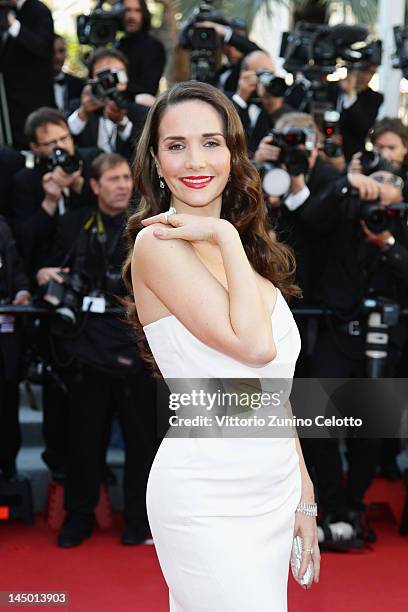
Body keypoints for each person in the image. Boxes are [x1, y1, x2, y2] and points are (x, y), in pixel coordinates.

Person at [124, 81, 320, 611]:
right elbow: (253, 348)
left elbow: (273, 392)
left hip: (272, 486)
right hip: (206, 493)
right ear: (156, 161)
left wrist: (303, 495)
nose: (196, 159)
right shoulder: (156, 245)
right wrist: (225, 237)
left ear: (233, 154)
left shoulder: (251, 254)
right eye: (176, 144)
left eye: (211, 142)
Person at [37, 153, 157, 547]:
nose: (122, 185)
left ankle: (140, 520)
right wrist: (44, 273)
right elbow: (47, 264)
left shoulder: (148, 226)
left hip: (138, 349)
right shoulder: (73, 224)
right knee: (84, 440)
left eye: (126, 177)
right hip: (86, 350)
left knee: (142, 443)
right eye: (112, 179)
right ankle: (80, 515)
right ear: (94, 185)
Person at [67, 47, 148, 159]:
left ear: (125, 79)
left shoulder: (141, 112)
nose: (110, 80)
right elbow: (63, 139)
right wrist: (83, 114)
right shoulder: (76, 107)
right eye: (103, 75)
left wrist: (123, 123)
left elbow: (144, 151)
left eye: (116, 74)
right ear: (91, 79)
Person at [0, 0, 54, 149]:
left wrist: (13, 26)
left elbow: (43, 47)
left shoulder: (38, 10)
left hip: (33, 101)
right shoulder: (6, 10)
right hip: (10, 104)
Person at [117, 0, 166, 96]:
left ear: (143, 14)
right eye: (127, 10)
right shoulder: (118, 45)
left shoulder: (153, 46)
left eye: (137, 11)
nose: (132, 16)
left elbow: (148, 90)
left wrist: (119, 86)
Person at [52, 34, 85, 116]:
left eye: (61, 51)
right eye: (53, 51)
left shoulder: (79, 84)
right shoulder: (36, 86)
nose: (57, 57)